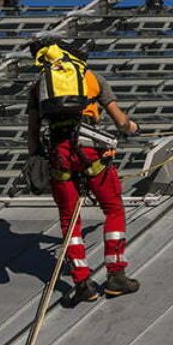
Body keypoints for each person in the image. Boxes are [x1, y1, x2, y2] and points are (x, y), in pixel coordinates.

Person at [25, 36, 141, 305]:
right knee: (112, 208)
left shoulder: (39, 87)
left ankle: (81, 283)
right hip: (91, 150)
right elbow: (121, 121)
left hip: (59, 154)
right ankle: (116, 276)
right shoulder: (91, 78)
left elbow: (32, 136)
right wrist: (133, 128)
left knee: (69, 218)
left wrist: (37, 157)